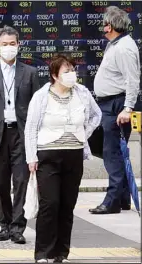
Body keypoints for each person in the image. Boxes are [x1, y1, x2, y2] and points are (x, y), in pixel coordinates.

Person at [25, 54, 102, 263]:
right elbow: (30, 127)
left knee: (67, 206)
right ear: (54, 75)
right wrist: (31, 156)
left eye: (73, 70)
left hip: (73, 154)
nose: (71, 75)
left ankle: (61, 253)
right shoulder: (42, 96)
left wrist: (83, 134)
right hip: (47, 156)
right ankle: (43, 252)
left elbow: (97, 115)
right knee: (50, 203)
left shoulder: (82, 93)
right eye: (66, 71)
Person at [0, 25, 40, 244]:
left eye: (13, 44)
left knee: (21, 182)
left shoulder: (30, 73)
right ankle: (4, 224)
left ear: (18, 45)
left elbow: (37, 107)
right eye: (5, 44)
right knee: (0, 183)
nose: (9, 48)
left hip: (21, 135)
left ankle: (17, 227)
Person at [90, 6, 141, 214]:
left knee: (112, 153)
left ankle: (111, 201)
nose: (102, 26)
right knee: (109, 151)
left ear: (109, 25)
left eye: (104, 23)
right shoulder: (115, 44)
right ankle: (122, 198)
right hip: (108, 104)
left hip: (117, 105)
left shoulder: (124, 48)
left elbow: (133, 80)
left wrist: (127, 108)